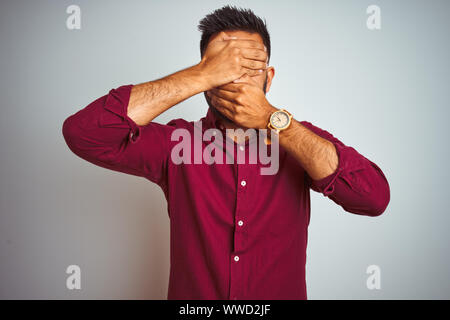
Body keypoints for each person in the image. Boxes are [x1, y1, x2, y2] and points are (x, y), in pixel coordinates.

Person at [62, 5, 390, 300]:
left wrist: (276, 123)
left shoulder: (298, 139)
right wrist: (202, 74)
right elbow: (85, 133)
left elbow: (373, 198)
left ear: (269, 78)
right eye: (224, 68)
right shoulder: (175, 143)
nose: (236, 80)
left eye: (249, 68)